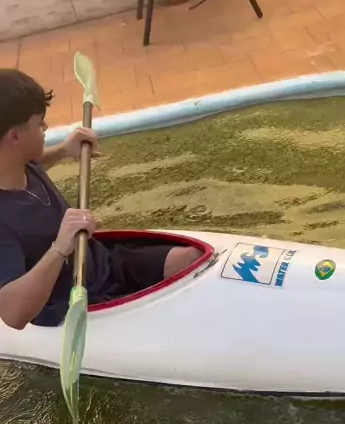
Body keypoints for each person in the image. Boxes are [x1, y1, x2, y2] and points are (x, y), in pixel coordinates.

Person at [0, 69, 202, 330]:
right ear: (15, 137)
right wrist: (60, 247)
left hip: (104, 263)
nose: (47, 127)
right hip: (74, 304)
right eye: (39, 124)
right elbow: (13, 315)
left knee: (190, 259)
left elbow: (35, 163)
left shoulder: (19, 164)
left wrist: (64, 150)